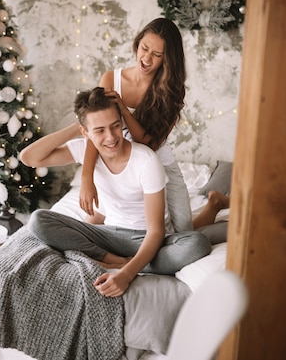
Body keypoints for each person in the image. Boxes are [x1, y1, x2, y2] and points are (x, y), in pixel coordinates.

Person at [19, 87, 211, 297]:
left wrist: (126, 274)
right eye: (99, 130)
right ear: (86, 133)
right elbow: (29, 158)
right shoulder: (83, 148)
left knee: (197, 244)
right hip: (108, 235)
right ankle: (115, 259)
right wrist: (79, 127)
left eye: (115, 126)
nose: (110, 137)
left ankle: (122, 262)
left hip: (146, 239)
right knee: (38, 220)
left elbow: (155, 231)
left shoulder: (146, 160)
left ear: (122, 123)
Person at [79, 17, 227, 232]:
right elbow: (95, 132)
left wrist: (123, 110)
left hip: (160, 163)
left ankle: (214, 204)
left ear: (167, 59)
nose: (147, 58)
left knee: (184, 231)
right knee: (90, 223)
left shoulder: (171, 91)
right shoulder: (111, 79)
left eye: (157, 55)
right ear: (137, 43)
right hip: (122, 164)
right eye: (144, 48)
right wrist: (86, 178)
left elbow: (151, 144)